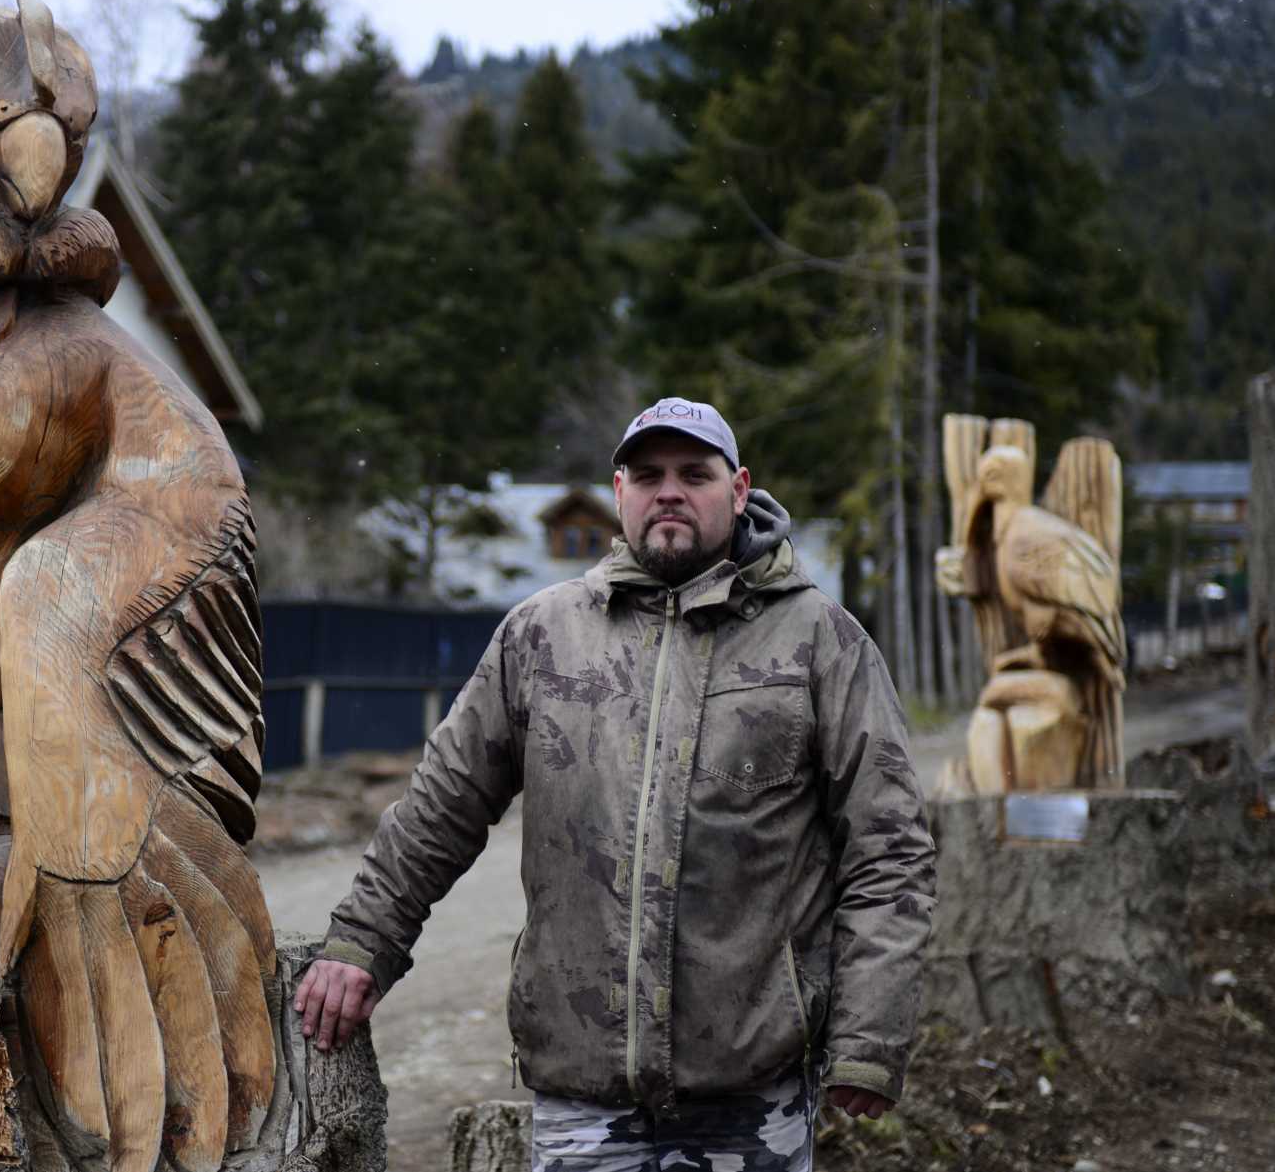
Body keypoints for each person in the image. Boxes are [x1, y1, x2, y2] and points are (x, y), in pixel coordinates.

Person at [296, 398, 937, 1171]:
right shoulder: (542, 636)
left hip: (751, 1095)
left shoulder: (819, 643)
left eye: (693, 474)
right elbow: (442, 806)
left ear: (737, 490)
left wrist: (869, 1039)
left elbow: (890, 848)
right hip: (582, 1098)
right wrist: (364, 940)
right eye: (649, 474)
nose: (669, 490)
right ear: (619, 490)